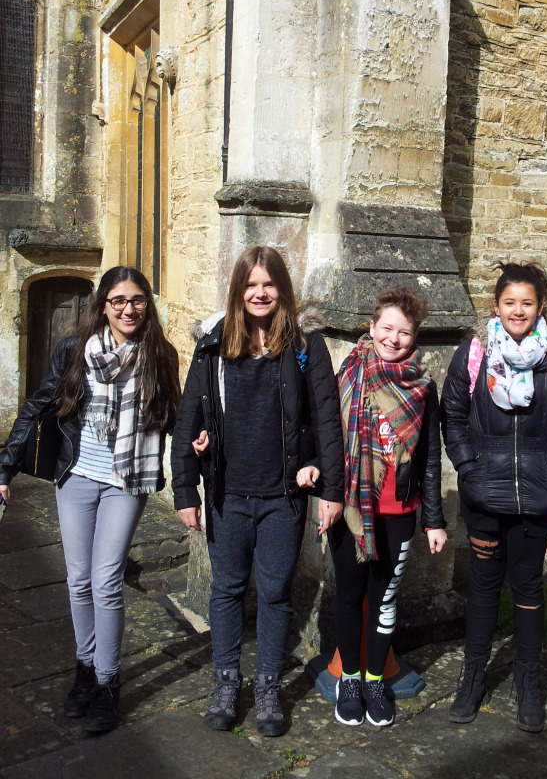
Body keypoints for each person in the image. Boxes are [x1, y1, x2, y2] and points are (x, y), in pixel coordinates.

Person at [171, 246, 344, 738]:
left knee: (274, 592)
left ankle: (268, 687)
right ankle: (226, 683)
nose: (260, 293)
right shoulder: (213, 345)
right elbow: (189, 418)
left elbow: (326, 419)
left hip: (282, 498)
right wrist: (185, 490)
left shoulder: (305, 345)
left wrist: (329, 486)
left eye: (268, 284)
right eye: (251, 285)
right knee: (226, 590)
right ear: (238, 290)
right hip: (227, 495)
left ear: (282, 289)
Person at [0, 267, 181, 733]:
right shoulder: (75, 350)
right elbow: (39, 405)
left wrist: (197, 447)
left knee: (106, 580)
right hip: (76, 475)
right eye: (118, 300)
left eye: (137, 300)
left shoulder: (160, 354)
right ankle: (85, 666)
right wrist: (5, 466)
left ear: (147, 305)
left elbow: (175, 415)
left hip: (127, 480)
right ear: (102, 305)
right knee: (78, 579)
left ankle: (106, 681)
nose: (128, 309)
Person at [441, 261, 547, 731]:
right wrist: (468, 466)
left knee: (527, 588)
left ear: (540, 307)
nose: (518, 311)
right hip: (484, 494)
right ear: (496, 306)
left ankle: (528, 681)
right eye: (510, 302)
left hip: (536, 496)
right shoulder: (474, 354)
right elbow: (453, 414)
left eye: (527, 303)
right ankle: (472, 678)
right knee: (483, 588)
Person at [298, 287, 447, 728]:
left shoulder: (423, 387)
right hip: (349, 509)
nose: (393, 339)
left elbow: (430, 457)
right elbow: (324, 430)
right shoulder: (347, 373)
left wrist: (434, 520)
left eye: (404, 332)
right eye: (386, 328)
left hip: (398, 512)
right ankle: (350, 679)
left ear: (415, 337)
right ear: (371, 327)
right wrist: (313, 466)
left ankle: (376, 680)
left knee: (384, 600)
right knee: (349, 595)